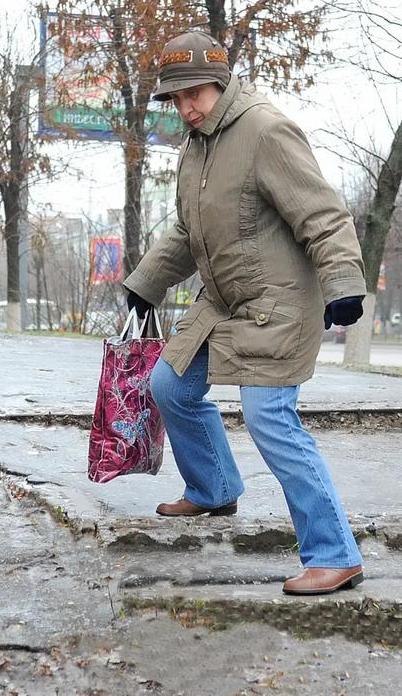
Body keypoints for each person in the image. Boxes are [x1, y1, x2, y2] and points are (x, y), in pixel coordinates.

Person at [122, 31, 368, 596]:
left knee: (268, 418)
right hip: (225, 301)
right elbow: (188, 230)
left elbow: (324, 215)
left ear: (220, 81)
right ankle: (213, 488)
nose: (186, 107)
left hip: (279, 303)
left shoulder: (265, 130)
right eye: (176, 98)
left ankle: (335, 553)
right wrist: (147, 283)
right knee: (170, 385)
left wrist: (343, 284)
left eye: (194, 94)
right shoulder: (196, 147)